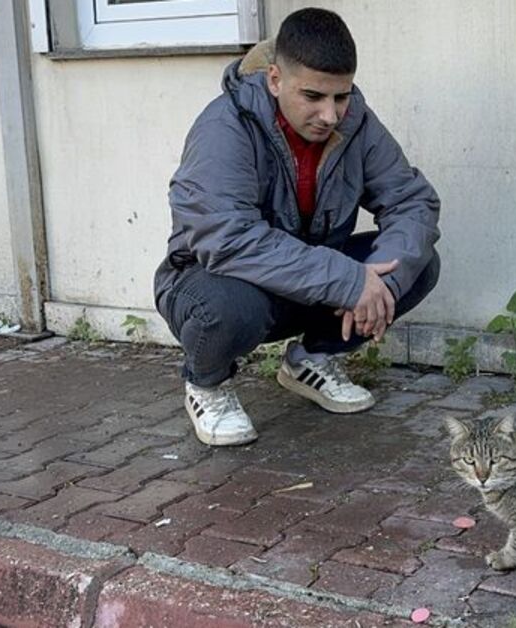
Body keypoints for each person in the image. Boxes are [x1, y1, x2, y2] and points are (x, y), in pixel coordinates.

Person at [153, 8, 441, 446]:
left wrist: (379, 277)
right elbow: (226, 240)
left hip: (303, 282)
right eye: (313, 96)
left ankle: (312, 359)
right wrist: (347, 281)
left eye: (340, 97)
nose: (330, 115)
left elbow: (411, 200)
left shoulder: (357, 123)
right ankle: (206, 384)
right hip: (210, 281)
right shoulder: (224, 126)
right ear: (274, 80)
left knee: (415, 264)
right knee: (229, 310)